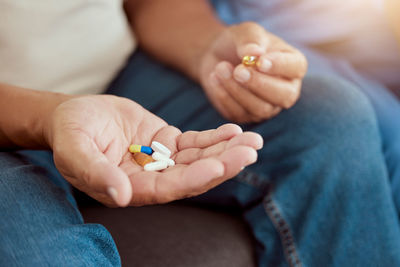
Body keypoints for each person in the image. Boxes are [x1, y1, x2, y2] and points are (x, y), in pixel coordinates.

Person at [1, 0, 399, 266]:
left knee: (328, 116)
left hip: (119, 78)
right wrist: (49, 117)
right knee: (40, 254)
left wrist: (207, 48)